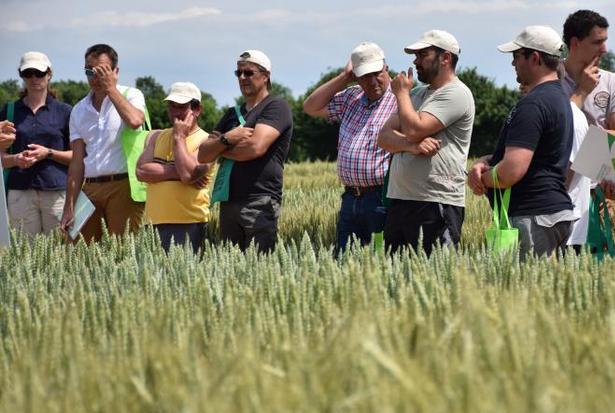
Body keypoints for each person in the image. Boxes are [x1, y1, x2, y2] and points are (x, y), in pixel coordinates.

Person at [468, 26, 574, 259]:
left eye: (517, 56)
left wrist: (481, 179)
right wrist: (485, 161)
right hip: (550, 212)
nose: (513, 63)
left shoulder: (534, 104)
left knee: (523, 293)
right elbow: (532, 153)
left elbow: (511, 171)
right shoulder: (558, 98)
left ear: (535, 58)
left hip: (532, 216)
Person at [377, 30, 475, 254]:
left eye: (423, 55)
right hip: (401, 200)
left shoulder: (456, 93)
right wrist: (412, 146)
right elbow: (384, 137)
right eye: (416, 55)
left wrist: (401, 94)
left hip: (435, 202)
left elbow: (414, 128)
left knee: (436, 275)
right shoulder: (418, 94)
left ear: (446, 58)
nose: (415, 61)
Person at [303, 42, 398, 253]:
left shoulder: (401, 99)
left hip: (381, 197)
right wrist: (343, 78)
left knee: (380, 262)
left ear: (386, 68)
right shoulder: (351, 97)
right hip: (350, 198)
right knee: (345, 262)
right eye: (364, 76)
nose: (372, 81)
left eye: (377, 73)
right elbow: (310, 107)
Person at [197, 50, 293, 253]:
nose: (242, 78)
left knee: (259, 267)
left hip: (259, 201)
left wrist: (219, 148)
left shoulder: (276, 107)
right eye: (238, 73)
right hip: (228, 201)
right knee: (231, 269)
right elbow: (203, 154)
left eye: (248, 73)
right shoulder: (231, 114)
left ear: (265, 75)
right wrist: (229, 138)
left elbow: (255, 147)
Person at [61, 44, 146, 241]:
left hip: (123, 186)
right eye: (89, 71)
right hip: (89, 189)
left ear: (116, 71)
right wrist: (69, 206)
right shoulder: (79, 110)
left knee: (122, 253)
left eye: (102, 71)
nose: (95, 77)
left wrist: (111, 90)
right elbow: (76, 163)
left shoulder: (131, 95)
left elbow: (135, 121)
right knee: (80, 253)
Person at [561, 10, 615, 222]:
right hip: (564, 189)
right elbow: (553, 130)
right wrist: (581, 91)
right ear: (575, 43)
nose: (605, 49)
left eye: (605, 41)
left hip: (607, 187)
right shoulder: (552, 81)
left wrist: (581, 146)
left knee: (611, 253)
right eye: (597, 42)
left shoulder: (613, 82)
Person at [136, 82, 215, 253]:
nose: (175, 112)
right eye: (172, 106)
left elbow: (187, 174)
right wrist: (178, 170)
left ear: (197, 109)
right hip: (153, 223)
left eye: (181, 107)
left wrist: (179, 138)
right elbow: (141, 172)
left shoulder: (208, 141)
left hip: (189, 223)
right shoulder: (155, 136)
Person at [0, 52, 72, 236]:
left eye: (39, 73)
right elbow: (1, 159)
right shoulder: (9, 111)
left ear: (49, 74)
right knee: (25, 255)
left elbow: (78, 157)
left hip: (56, 192)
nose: (34, 78)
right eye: (28, 73)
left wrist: (48, 153)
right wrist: (16, 159)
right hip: (20, 192)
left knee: (59, 252)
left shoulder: (66, 112)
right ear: (21, 75)